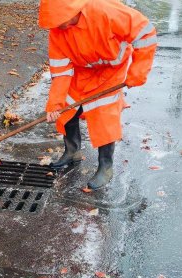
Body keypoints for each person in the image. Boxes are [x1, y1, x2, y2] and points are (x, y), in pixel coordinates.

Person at [39, 0, 157, 190]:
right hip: (82, 72)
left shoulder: (104, 11)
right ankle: (72, 151)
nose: (58, 26)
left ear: (72, 9)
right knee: (67, 110)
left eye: (61, 20)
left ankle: (105, 168)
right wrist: (55, 104)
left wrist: (137, 72)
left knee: (104, 118)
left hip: (110, 72)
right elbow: (60, 71)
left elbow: (146, 32)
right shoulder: (57, 30)